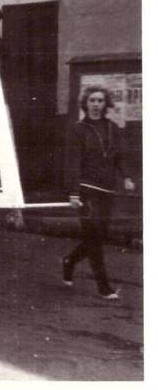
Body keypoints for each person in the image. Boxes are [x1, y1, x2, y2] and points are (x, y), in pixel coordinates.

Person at [62, 85, 135, 300]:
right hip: (86, 189)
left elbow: (119, 156)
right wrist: (73, 192)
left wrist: (127, 177)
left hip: (107, 189)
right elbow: (72, 162)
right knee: (93, 235)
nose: (96, 104)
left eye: (100, 101)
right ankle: (103, 286)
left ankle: (69, 261)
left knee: (98, 236)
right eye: (92, 100)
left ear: (105, 104)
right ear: (86, 103)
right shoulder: (78, 128)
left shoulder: (112, 127)